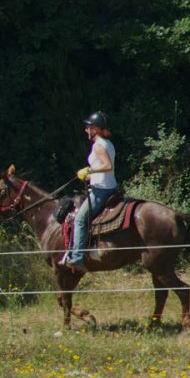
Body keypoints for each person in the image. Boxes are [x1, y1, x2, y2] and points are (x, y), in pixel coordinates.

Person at [60, 111, 117, 270]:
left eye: (88, 127)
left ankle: (77, 258)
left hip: (102, 190)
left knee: (79, 219)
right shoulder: (108, 143)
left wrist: (89, 171)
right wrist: (90, 175)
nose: (86, 130)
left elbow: (107, 166)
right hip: (107, 186)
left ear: (96, 129)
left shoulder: (98, 145)